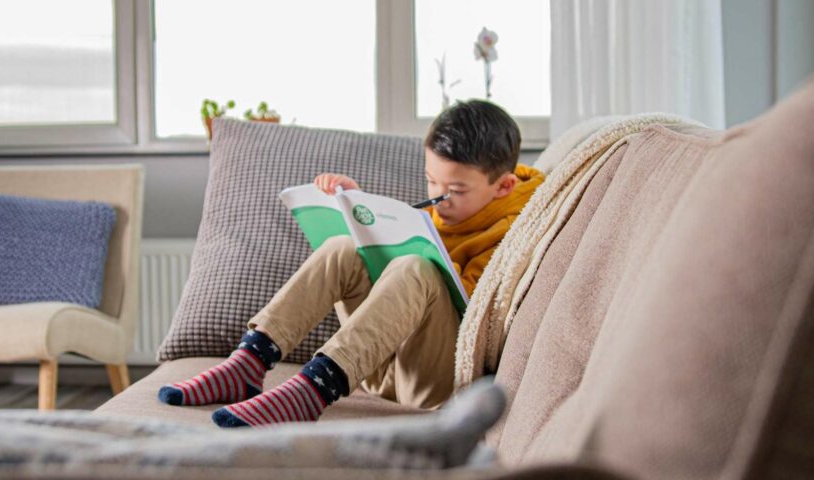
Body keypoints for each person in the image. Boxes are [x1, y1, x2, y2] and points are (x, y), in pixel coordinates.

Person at [158, 100, 545, 427]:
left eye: (455, 191)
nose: (439, 200)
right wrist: (363, 216)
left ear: (504, 186)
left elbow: (477, 315)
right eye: (432, 183)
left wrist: (412, 264)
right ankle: (249, 361)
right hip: (379, 366)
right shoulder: (459, 208)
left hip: (435, 382)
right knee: (346, 245)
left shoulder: (517, 226)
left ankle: (311, 392)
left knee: (417, 269)